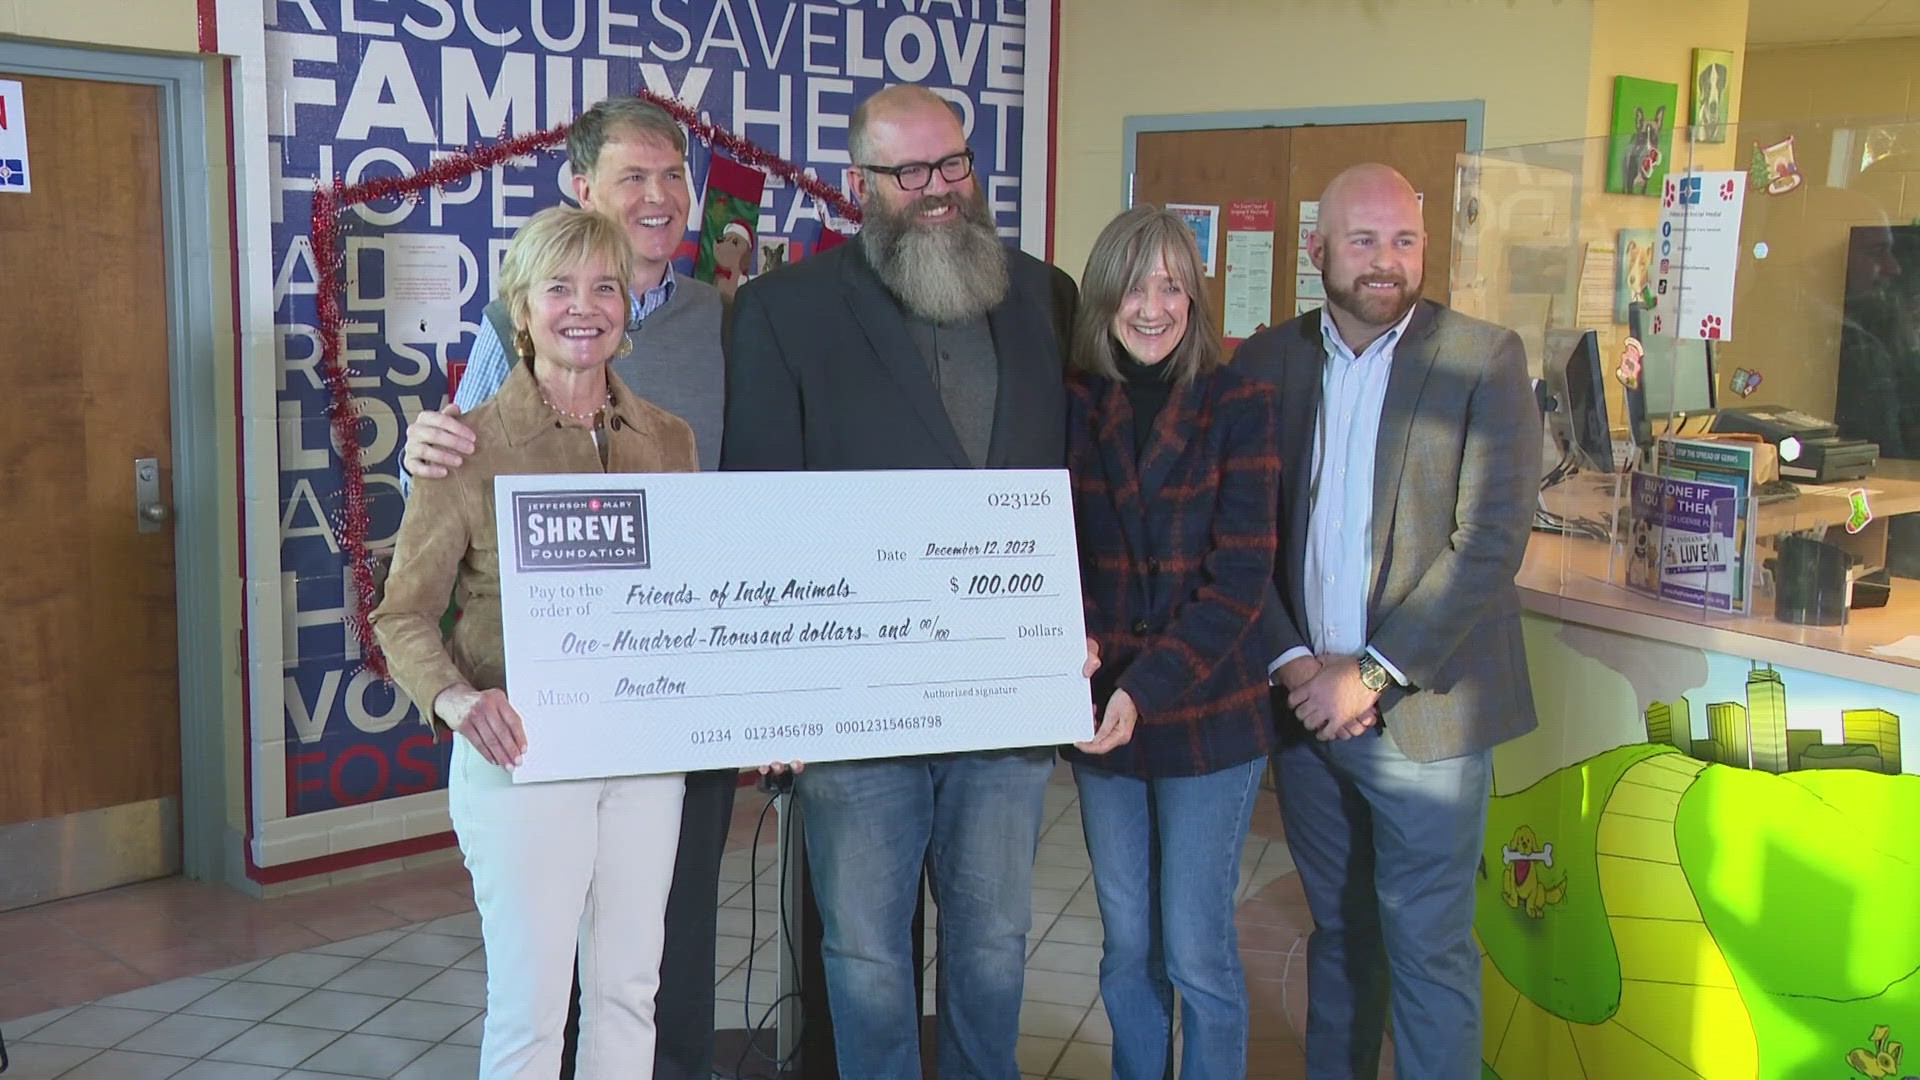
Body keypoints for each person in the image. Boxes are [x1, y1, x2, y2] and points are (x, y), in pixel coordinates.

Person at [720, 84, 1082, 1079]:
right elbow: (759, 512)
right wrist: (774, 700)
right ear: (859, 185)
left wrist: (1071, 632)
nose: (938, 191)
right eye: (910, 172)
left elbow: (1070, 486)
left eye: (953, 165)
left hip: (1003, 701)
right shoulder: (782, 311)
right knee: (868, 952)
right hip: (856, 706)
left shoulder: (1046, 295)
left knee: (997, 941)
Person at [397, 96, 732, 1080]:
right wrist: (457, 698)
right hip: (523, 753)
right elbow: (402, 612)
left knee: (631, 992)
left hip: (643, 750)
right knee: (534, 1007)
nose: (582, 307)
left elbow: (694, 594)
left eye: (603, 287)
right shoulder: (468, 444)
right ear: (522, 307)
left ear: (628, 308)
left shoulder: (669, 441)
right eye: (558, 290)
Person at [1234, 163, 1541, 1079]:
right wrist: (1297, 668)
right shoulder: (1267, 362)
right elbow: (1242, 529)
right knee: (1339, 935)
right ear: (1316, 250)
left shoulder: (1483, 359)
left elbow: (1487, 544)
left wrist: (1363, 677)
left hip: (1425, 717)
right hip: (1305, 715)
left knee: (1427, 948)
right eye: (1363, 240)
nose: (1386, 261)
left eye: (1405, 240)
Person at [1061, 204, 1281, 1080]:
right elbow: (1052, 546)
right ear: (1104, 297)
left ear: (1195, 296)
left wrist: (1139, 688)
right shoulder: (1073, 403)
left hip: (1206, 716)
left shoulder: (1240, 403)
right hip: (1098, 714)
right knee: (1127, 949)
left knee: (1198, 954)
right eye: (1132, 286)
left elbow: (1238, 583)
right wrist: (1063, 640)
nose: (1152, 306)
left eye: (1172, 285)